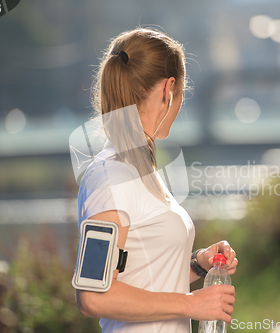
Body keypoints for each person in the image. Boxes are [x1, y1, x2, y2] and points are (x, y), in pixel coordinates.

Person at [74, 27, 238, 333]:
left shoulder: (140, 170)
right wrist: (191, 304)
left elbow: (145, 273)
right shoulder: (110, 175)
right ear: (169, 89)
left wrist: (200, 263)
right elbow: (93, 295)